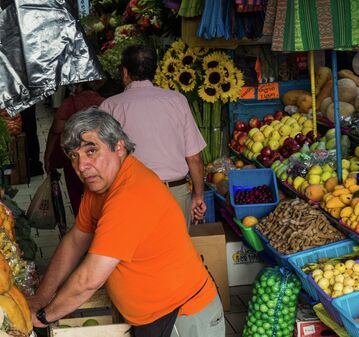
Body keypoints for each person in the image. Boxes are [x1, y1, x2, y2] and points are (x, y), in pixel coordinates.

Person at [28, 109, 224, 337]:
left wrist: (44, 316)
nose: (82, 166)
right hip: (152, 317)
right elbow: (74, 242)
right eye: (74, 156)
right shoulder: (99, 185)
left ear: (118, 147)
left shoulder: (130, 194)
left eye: (91, 151)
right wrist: (41, 297)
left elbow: (90, 279)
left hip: (182, 317)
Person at [99, 44, 207, 226]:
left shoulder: (110, 106)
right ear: (154, 72)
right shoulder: (177, 100)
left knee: (135, 253)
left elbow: (103, 160)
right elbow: (194, 158)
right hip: (174, 194)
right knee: (173, 253)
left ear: (125, 72)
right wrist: (198, 195)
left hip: (130, 194)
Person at [43, 82, 105, 215]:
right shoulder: (104, 102)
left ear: (78, 87)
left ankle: (82, 220)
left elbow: (55, 131)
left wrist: (47, 157)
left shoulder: (69, 103)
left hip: (75, 159)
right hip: (100, 157)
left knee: (76, 192)